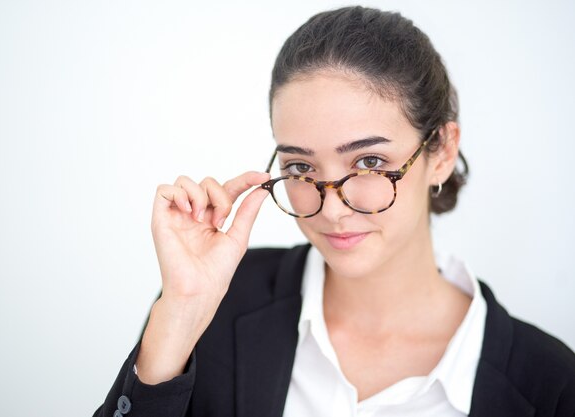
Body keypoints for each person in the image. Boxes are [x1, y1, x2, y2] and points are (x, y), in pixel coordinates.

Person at [94, 6, 575, 417]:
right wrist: (181, 316)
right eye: (301, 167)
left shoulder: (551, 384)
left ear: (442, 152)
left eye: (369, 161)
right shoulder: (214, 309)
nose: (332, 206)